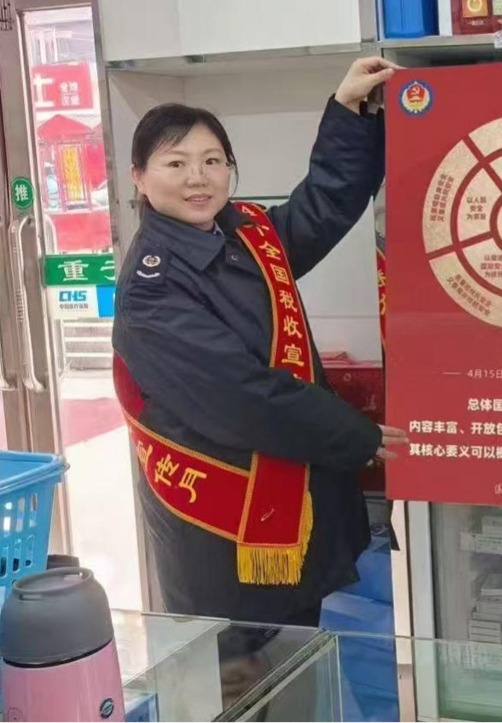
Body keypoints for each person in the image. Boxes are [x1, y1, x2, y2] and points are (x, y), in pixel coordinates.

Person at [112, 57, 408, 627]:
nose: (198, 178)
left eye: (212, 161)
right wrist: (355, 435)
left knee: (296, 654)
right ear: (139, 177)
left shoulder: (243, 236)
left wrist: (348, 111)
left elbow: (320, 207)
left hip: (287, 507)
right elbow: (243, 396)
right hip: (224, 534)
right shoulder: (152, 290)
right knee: (241, 665)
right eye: (175, 163)